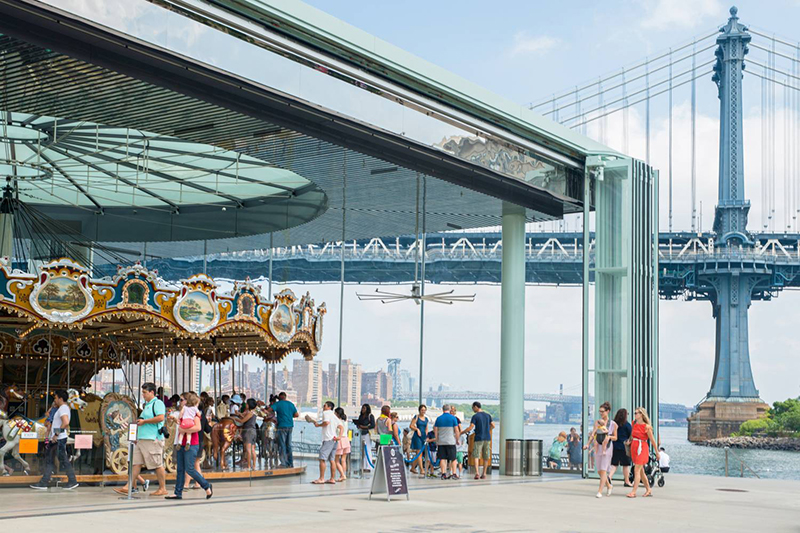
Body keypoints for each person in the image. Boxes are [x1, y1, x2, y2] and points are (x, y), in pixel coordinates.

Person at [113, 382, 168, 496]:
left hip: (152, 438)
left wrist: (145, 421)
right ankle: (128, 486)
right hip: (142, 438)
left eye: (144, 392)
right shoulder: (147, 405)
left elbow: (161, 417)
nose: (143, 395)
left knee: (157, 464)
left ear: (152, 392)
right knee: (136, 463)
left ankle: (163, 488)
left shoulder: (157, 403)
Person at [165, 393, 212, 501]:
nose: (180, 402)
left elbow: (198, 427)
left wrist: (183, 430)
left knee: (190, 469)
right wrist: (175, 420)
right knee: (180, 469)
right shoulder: (184, 413)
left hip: (191, 444)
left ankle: (206, 485)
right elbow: (181, 422)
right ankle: (178, 493)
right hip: (181, 443)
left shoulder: (195, 414)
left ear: (187, 401)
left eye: (181, 400)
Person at [30, 390, 78, 490]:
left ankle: (71, 481)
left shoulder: (63, 409)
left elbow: (65, 423)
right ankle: (45, 482)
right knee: (52, 459)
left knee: (60, 459)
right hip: (57, 439)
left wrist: (56, 434)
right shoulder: (62, 408)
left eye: (56, 398)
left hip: (58, 439)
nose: (55, 400)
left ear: (60, 399)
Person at [584, 401, 616, 498]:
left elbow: (616, 437)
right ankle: (609, 485)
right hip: (598, 446)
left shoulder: (612, 424)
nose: (601, 413)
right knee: (599, 470)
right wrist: (587, 444)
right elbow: (593, 434)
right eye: (600, 412)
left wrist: (609, 437)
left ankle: (600, 491)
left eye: (602, 411)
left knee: (603, 470)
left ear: (608, 411)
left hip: (607, 447)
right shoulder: (597, 422)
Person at [627, 407, 659, 498]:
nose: (635, 414)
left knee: (636, 470)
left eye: (636, 413)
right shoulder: (634, 423)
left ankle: (633, 492)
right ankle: (648, 489)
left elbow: (652, 440)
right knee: (641, 472)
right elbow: (632, 435)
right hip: (634, 446)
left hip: (642, 448)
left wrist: (657, 452)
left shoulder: (646, 427)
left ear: (641, 414)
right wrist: (629, 441)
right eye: (635, 413)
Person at [463, 401, 494, 480]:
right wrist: (487, 430)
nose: (473, 409)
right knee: (486, 457)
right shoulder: (488, 415)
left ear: (476, 407)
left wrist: (462, 432)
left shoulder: (475, 416)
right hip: (487, 438)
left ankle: (477, 473)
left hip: (478, 438)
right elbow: (493, 425)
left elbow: (471, 427)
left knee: (476, 456)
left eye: (473, 408)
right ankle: (484, 474)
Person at [311, 401, 338, 484]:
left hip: (328, 439)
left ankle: (321, 478)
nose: (323, 406)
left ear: (329, 407)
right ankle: (332, 478)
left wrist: (318, 425)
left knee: (322, 458)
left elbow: (326, 422)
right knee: (332, 459)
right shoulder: (334, 416)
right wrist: (339, 436)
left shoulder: (326, 413)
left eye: (324, 405)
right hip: (334, 439)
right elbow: (340, 426)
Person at [434, 404, 460, 480]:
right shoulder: (453, 418)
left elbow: (435, 430)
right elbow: (457, 430)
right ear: (449, 410)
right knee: (453, 458)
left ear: (442, 409)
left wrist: (437, 440)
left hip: (441, 442)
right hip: (451, 441)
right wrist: (457, 440)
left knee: (442, 458)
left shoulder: (438, 419)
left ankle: (443, 474)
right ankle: (454, 473)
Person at [272, 392, 298, 468]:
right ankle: (290, 462)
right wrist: (289, 416)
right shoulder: (290, 404)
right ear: (285, 397)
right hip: (290, 426)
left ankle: (284, 463)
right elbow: (296, 415)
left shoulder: (278, 404)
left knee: (282, 444)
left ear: (279, 397)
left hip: (282, 426)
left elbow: (269, 409)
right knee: (289, 445)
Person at [608, 409, 632, 486]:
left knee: (614, 464)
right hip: (624, 447)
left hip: (614, 446)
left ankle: (609, 477)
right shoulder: (627, 425)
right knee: (625, 465)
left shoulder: (614, 424)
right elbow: (631, 435)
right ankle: (627, 481)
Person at [234, 398, 258, 469]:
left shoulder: (250, 413)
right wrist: (239, 414)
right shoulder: (253, 413)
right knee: (252, 449)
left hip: (248, 431)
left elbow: (242, 421)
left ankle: (249, 466)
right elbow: (244, 417)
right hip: (253, 431)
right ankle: (253, 466)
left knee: (248, 450)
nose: (246, 405)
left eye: (247, 404)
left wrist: (234, 418)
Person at [409, 404, 429, 476]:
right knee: (419, 453)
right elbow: (411, 425)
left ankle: (413, 467)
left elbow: (426, 429)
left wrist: (426, 436)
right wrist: (417, 429)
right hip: (417, 436)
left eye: (424, 410)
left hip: (423, 436)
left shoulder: (426, 419)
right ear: (419, 410)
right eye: (422, 410)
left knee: (419, 453)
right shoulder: (416, 417)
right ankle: (421, 469)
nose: (423, 411)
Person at [354, 404, 375, 472]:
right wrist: (358, 425)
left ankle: (369, 466)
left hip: (367, 434)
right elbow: (359, 424)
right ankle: (363, 466)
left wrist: (364, 427)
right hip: (361, 433)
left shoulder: (370, 416)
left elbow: (373, 425)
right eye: (362, 408)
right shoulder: (361, 416)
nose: (362, 409)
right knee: (362, 450)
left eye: (364, 408)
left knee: (368, 449)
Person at [334, 407, 350, 482]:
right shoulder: (345, 420)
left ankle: (342, 475)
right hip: (346, 439)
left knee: (336, 460)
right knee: (343, 460)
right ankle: (343, 475)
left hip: (340, 440)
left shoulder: (337, 421)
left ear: (337, 413)